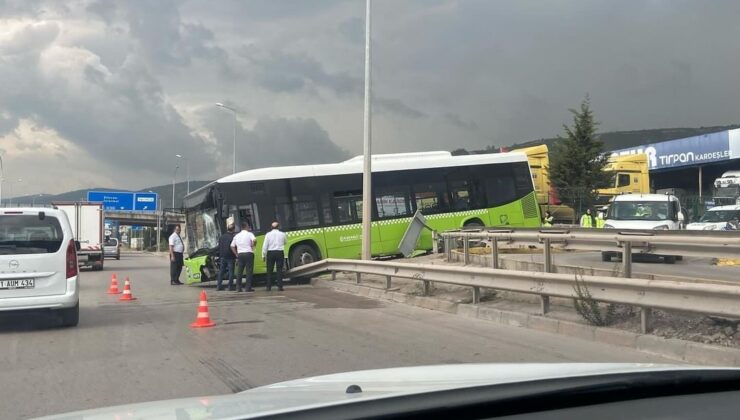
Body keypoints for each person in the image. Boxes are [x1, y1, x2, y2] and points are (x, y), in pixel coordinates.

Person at [231, 222, 256, 292]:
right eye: (248, 226)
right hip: (249, 253)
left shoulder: (237, 236)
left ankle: (238, 287)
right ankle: (248, 287)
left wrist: (236, 254)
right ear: (246, 227)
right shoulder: (249, 234)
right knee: (249, 271)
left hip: (240, 255)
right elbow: (254, 240)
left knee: (239, 271)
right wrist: (253, 246)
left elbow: (232, 246)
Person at [262, 221, 288, 292]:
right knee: (279, 270)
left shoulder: (268, 234)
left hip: (270, 253)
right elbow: (285, 242)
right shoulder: (282, 234)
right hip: (279, 252)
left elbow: (265, 245)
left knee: (269, 270)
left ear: (271, 227)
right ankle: (280, 287)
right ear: (278, 227)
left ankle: (268, 287)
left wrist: (263, 255)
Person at [216, 224, 236, 291]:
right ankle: (230, 286)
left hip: (222, 256)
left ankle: (219, 286)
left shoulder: (221, 237)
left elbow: (219, 247)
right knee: (231, 272)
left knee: (221, 271)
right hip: (230, 256)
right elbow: (233, 247)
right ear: (233, 229)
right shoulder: (232, 237)